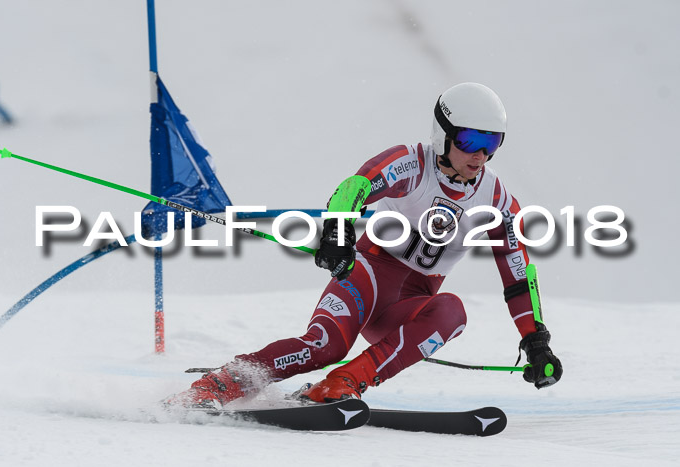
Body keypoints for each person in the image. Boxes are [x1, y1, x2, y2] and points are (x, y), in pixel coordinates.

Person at [166, 82, 563, 408]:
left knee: (453, 313)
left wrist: (535, 340)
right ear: (443, 135)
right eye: (470, 139)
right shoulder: (412, 164)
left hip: (407, 305)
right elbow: (354, 187)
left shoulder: (495, 200)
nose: (480, 154)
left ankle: (342, 384)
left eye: (492, 142)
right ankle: (219, 385)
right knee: (325, 346)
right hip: (365, 278)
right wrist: (338, 234)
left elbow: (517, 275)